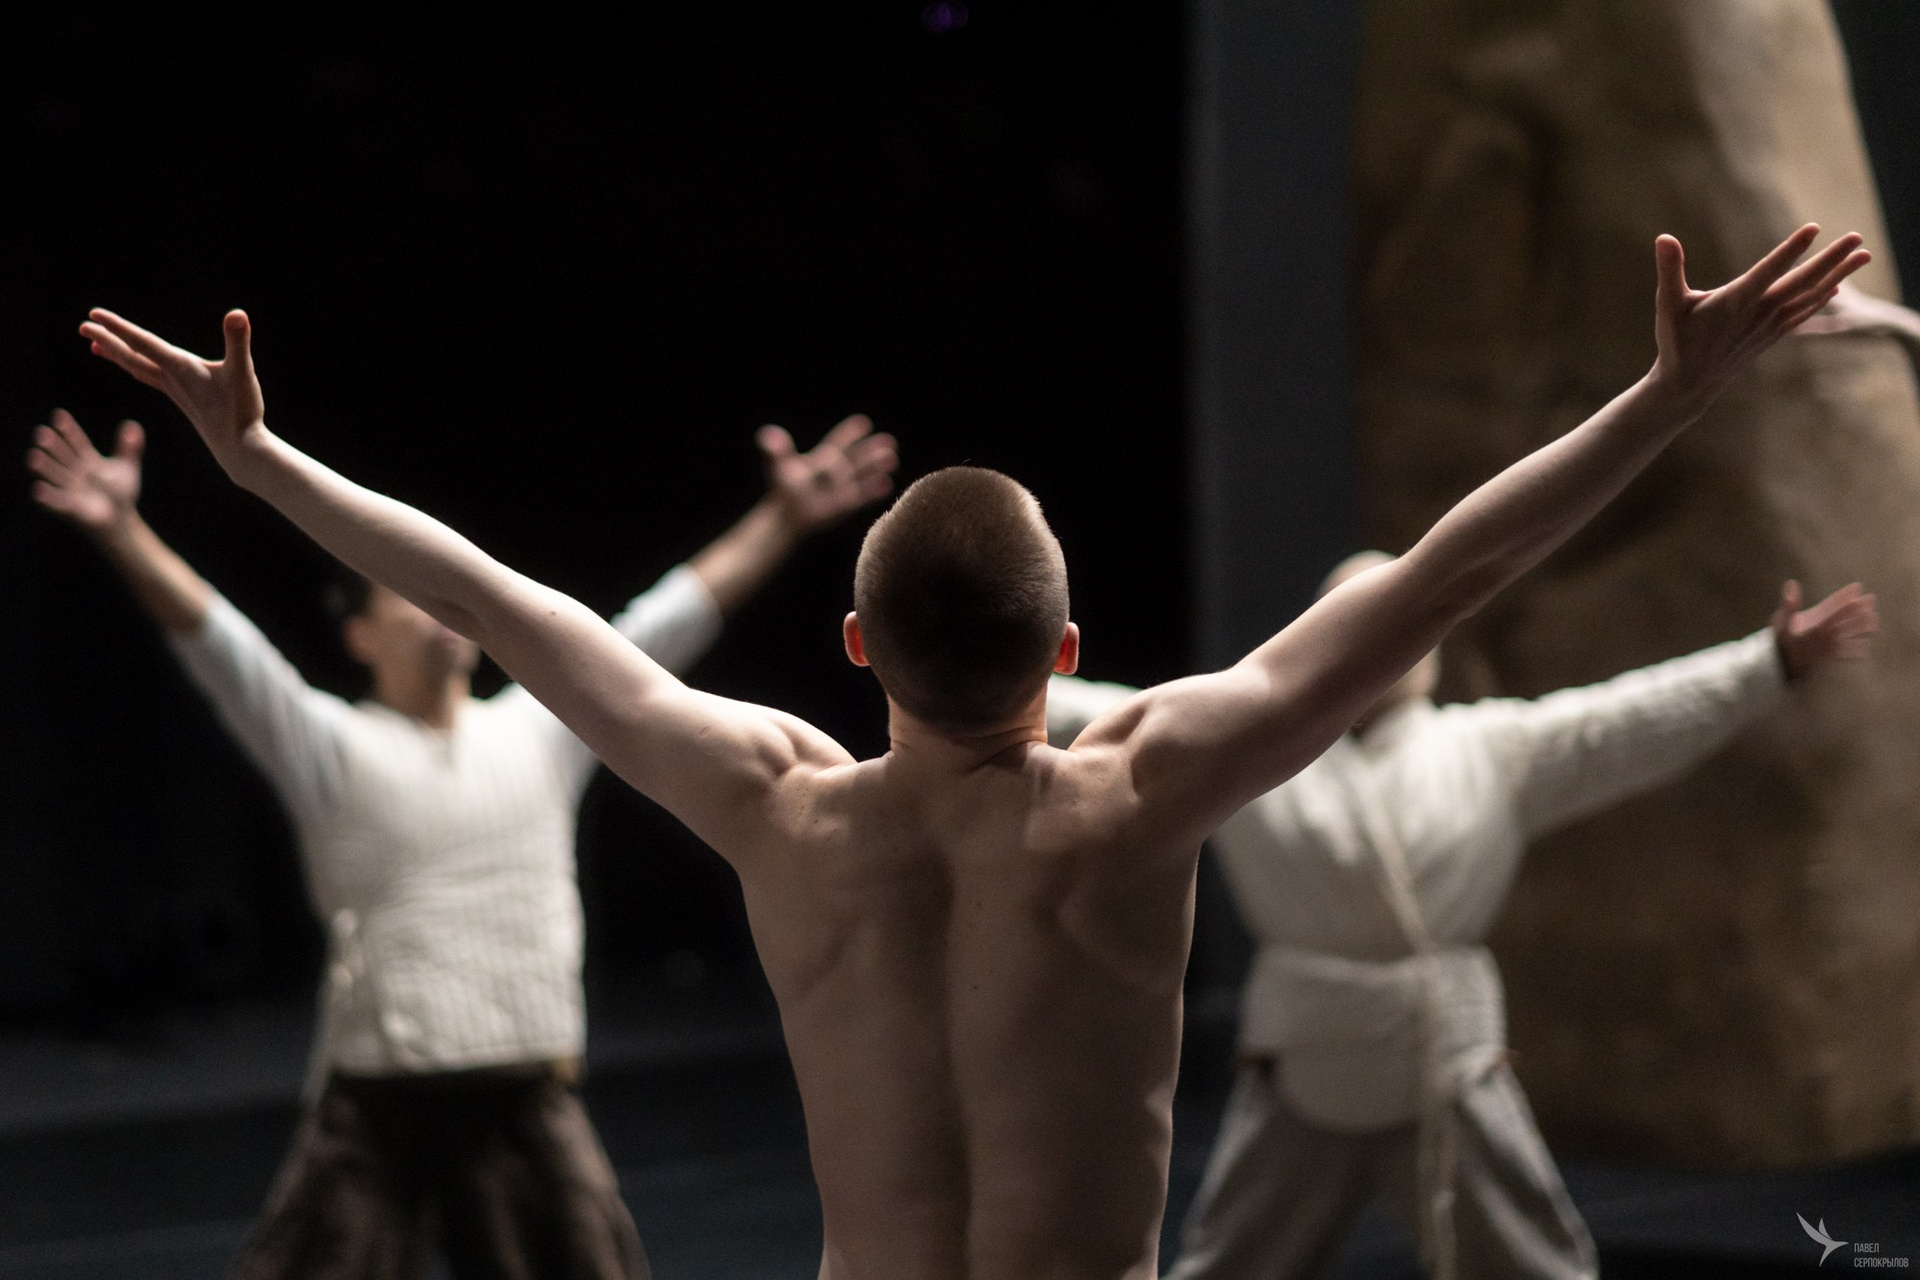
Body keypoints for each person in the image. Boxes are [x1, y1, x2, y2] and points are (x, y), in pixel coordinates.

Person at [76, 223, 1866, 1280]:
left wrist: (260, 465)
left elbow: (499, 598)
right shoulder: (1142, 788)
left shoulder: (779, 809)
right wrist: (1673, 393)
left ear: (856, 648)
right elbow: (1446, 574)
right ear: (1068, 659)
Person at [25, 406, 896, 1280]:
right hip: (374, 1111)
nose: (435, 605)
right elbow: (222, 646)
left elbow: (666, 620)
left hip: (526, 1098)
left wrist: (783, 517)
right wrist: (121, 529)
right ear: (360, 634)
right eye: (401, 594)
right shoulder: (331, 746)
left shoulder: (536, 732)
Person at [1046, 552, 1876, 1280]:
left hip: (1444, 1059)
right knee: (1231, 1267)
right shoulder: (1243, 747)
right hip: (1306, 1060)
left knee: (1537, 1266)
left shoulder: (1489, 751)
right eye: (1360, 619)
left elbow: (1631, 719)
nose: (1382, 637)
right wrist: (975, 674)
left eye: (1401, 617)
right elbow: (1102, 718)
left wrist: (1769, 662)